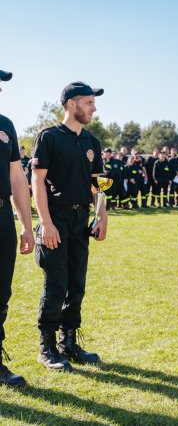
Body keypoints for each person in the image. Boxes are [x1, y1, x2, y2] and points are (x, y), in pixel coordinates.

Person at [32, 81, 107, 372]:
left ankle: (69, 342)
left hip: (81, 220)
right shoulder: (49, 137)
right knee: (56, 284)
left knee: (77, 284)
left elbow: (98, 184)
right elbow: (37, 181)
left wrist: (101, 216)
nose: (94, 107)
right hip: (56, 218)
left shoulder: (92, 142)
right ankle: (47, 348)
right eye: (89, 102)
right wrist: (46, 223)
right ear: (71, 104)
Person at [0, 69, 34, 387]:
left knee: (1, 294)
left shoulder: (5, 124)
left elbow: (17, 179)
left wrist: (26, 224)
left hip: (1, 219)